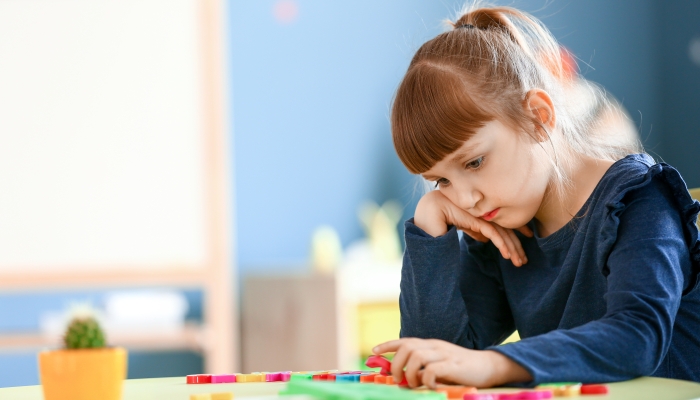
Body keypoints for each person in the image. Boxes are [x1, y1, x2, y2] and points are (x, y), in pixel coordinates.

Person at [371, 4, 700, 389]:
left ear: (538, 117)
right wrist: (430, 223)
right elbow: (438, 356)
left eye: (474, 162)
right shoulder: (501, 227)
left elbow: (636, 339)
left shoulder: (640, 198)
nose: (466, 199)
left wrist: (493, 364)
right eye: (440, 181)